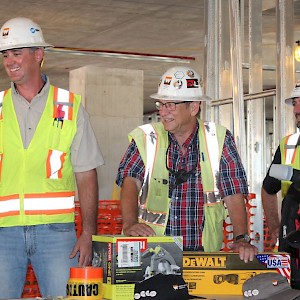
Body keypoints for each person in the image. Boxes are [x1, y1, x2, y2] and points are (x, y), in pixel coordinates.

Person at [0, 17, 104, 298]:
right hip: (3, 234)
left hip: (57, 235)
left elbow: (86, 173)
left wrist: (88, 233)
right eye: (6, 54)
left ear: (38, 55)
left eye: (17, 52)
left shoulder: (70, 106)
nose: (10, 61)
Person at [116, 66, 257, 263]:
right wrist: (130, 224)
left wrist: (241, 238)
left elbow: (233, 191)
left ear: (193, 107)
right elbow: (130, 181)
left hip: (203, 253)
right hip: (151, 251)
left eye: (171, 105)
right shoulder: (147, 138)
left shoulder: (218, 139)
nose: (163, 112)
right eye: (161, 104)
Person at [261, 80, 300, 289]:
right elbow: (268, 188)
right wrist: (274, 226)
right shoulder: (288, 145)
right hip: (292, 242)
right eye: (295, 103)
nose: (297, 110)